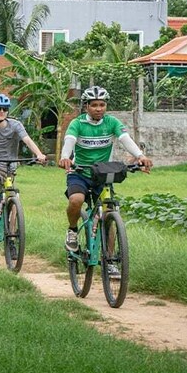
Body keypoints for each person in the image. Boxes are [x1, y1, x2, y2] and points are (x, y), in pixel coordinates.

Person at [58, 86, 152, 275]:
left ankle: (109, 260)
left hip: (102, 174)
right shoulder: (77, 124)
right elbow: (69, 140)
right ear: (86, 107)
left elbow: (125, 139)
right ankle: (72, 230)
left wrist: (140, 156)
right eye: (94, 105)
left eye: (102, 105)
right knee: (76, 200)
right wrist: (65, 157)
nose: (99, 108)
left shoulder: (111, 123)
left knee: (110, 213)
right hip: (80, 172)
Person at [0, 93, 46, 226]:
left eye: (4, 109)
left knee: (13, 200)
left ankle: (11, 237)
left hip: (8, 165)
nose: (1, 112)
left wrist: (39, 154)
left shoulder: (15, 125)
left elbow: (27, 140)